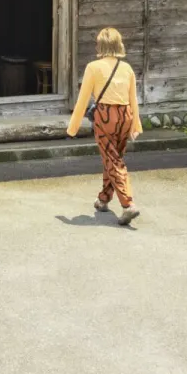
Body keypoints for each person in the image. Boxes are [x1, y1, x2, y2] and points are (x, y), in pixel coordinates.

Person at [66, 26, 143, 226]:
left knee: (113, 160)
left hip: (105, 116)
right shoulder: (127, 68)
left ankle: (128, 204)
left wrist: (73, 127)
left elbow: (83, 99)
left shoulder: (93, 67)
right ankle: (103, 199)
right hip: (125, 115)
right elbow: (133, 99)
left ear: (100, 45)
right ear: (119, 45)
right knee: (113, 158)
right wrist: (136, 125)